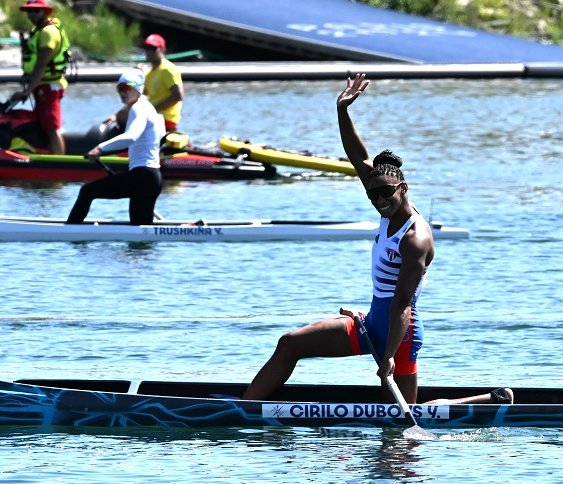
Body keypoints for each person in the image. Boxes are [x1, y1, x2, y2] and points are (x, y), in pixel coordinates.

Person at [242, 73, 513, 406]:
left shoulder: (415, 238)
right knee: (290, 343)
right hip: (371, 323)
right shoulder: (383, 200)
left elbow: (400, 305)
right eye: (372, 194)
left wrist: (387, 357)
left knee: (403, 426)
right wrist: (342, 111)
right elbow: (357, 154)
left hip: (400, 336)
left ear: (404, 188)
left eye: (385, 193)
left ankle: (490, 400)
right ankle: (244, 410)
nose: (378, 199)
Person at [66, 69, 165, 225]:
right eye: (119, 88)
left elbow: (131, 136)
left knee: (87, 191)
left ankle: (69, 230)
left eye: (127, 88)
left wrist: (100, 148)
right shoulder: (149, 108)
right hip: (152, 179)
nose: (122, 93)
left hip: (142, 177)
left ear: (137, 88)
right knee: (140, 233)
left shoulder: (138, 108)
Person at [11, 0, 70, 154]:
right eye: (29, 11)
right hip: (42, 85)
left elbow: (42, 63)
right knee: (44, 124)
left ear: (46, 12)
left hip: (50, 86)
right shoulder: (38, 30)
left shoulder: (48, 32)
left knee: (51, 126)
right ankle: (48, 154)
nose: (31, 14)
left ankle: (58, 165)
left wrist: (27, 90)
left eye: (36, 11)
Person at [106, 33, 184, 132]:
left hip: (166, 119)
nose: (149, 52)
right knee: (122, 115)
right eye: (146, 48)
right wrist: (116, 115)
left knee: (126, 116)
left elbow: (178, 96)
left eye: (153, 48)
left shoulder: (168, 69)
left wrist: (153, 110)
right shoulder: (149, 72)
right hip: (152, 116)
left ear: (162, 50)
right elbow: (136, 96)